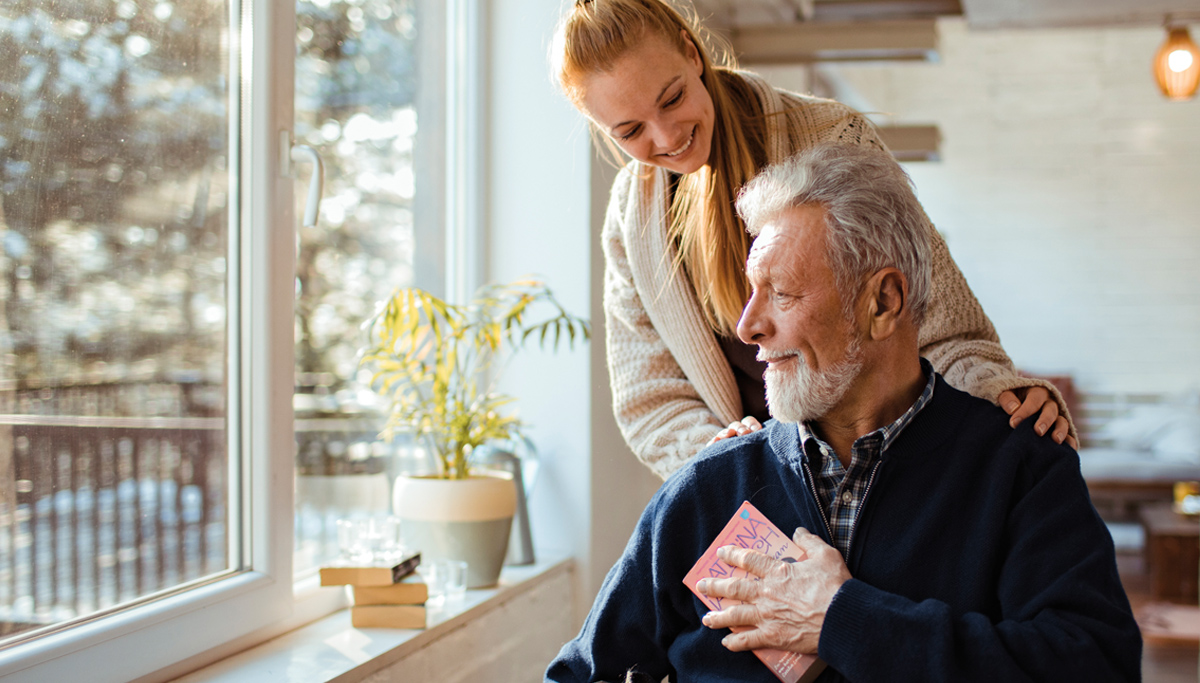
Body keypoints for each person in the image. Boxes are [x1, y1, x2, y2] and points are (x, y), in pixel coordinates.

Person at [544, 143, 1141, 683]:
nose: (747, 324)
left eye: (781, 293)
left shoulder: (1020, 467)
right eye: (751, 291)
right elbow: (578, 674)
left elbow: (1097, 665)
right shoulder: (708, 487)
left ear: (884, 302)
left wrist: (843, 619)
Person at [551, 0, 1077, 479]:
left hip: (887, 464)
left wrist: (998, 391)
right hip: (754, 488)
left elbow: (936, 318)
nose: (666, 137)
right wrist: (714, 453)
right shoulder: (631, 220)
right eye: (629, 131)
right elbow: (651, 399)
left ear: (692, 54)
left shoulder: (832, 136)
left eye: (673, 98)